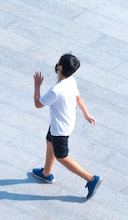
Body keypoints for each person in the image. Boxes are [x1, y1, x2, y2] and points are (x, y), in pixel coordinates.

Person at [32, 53, 102, 200]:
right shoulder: (71, 81)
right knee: (49, 142)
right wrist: (86, 114)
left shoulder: (55, 90)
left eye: (58, 62)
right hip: (65, 122)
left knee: (62, 157)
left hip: (60, 129)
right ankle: (46, 173)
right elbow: (78, 98)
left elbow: (38, 104)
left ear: (60, 67)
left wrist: (37, 86)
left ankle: (90, 179)